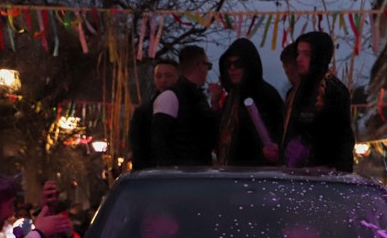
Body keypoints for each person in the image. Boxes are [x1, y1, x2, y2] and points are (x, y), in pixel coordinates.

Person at [280, 31, 354, 172]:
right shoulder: (298, 90)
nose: (299, 59)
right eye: (298, 53)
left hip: (323, 174)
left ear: (319, 56)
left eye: (306, 54)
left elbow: (339, 138)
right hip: (296, 171)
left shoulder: (332, 90)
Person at [216, 38, 283, 166]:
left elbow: (278, 134)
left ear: (249, 65)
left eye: (238, 63)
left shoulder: (266, 94)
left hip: (259, 172)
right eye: (228, 64)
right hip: (231, 170)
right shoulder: (231, 98)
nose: (232, 68)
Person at [151, 45, 218, 166]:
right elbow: (161, 144)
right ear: (200, 66)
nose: (207, 71)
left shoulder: (197, 97)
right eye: (207, 66)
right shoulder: (171, 97)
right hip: (180, 173)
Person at [129, 57, 179, 170]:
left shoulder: (184, 107)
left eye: (168, 76)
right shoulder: (143, 112)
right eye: (158, 76)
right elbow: (137, 147)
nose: (163, 80)